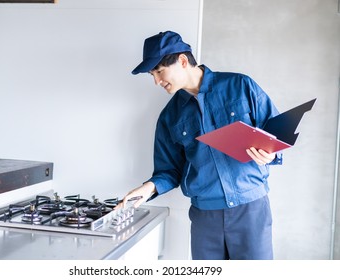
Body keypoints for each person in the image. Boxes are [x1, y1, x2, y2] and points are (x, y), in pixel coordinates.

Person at [118, 31, 283, 260]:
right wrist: (148, 189)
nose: (156, 81)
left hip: (251, 210)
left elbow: (276, 133)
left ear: (182, 61)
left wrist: (270, 153)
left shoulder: (240, 85)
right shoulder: (169, 116)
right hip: (205, 218)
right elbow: (169, 171)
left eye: (159, 71)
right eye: (152, 75)